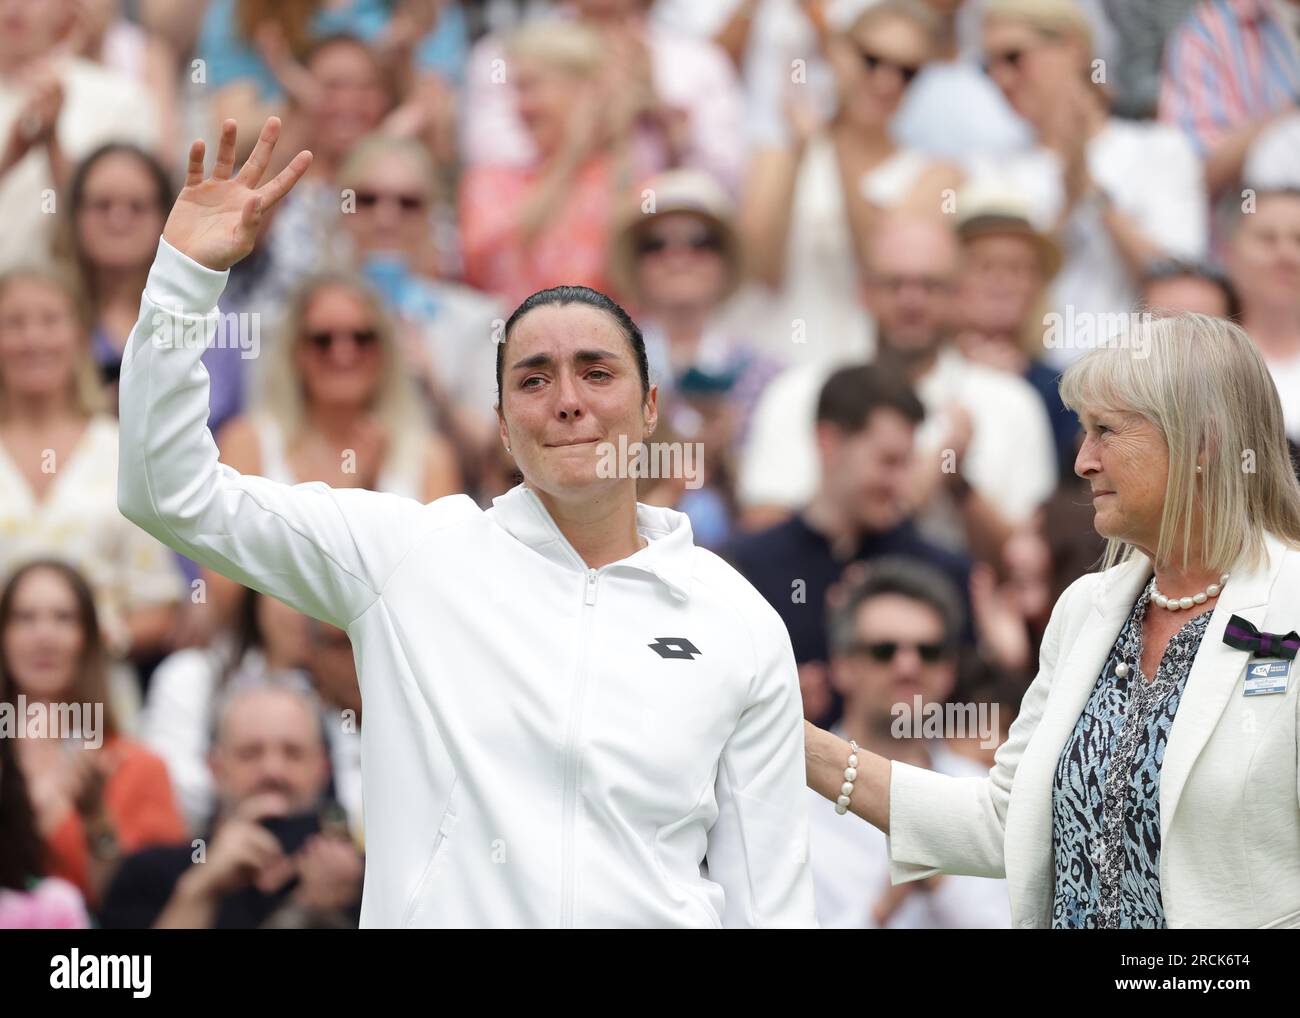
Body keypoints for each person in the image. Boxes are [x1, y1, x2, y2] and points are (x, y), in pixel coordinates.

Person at [117, 116, 816, 928]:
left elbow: (772, 904)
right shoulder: (407, 556)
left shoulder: (738, 619)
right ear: (502, 421)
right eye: (533, 378)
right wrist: (183, 279)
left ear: (650, 407)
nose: (568, 399)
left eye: (597, 372)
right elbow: (165, 492)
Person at [805, 312, 1300, 928]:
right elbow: (1005, 824)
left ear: (1202, 443)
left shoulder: (1292, 604)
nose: (1084, 461)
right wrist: (797, 742)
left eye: (1106, 431)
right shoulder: (1085, 609)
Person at [728, 362, 972, 726]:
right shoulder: (748, 569)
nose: (903, 483)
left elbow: (964, 716)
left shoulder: (942, 571)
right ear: (830, 443)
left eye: (909, 462)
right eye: (888, 462)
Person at [806, 557, 1011, 928]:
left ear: (949, 670)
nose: (907, 666)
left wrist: (935, 877)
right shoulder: (792, 797)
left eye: (927, 651)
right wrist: (881, 909)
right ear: (841, 666)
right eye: (883, 651)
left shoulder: (982, 788)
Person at [102, 679, 363, 929]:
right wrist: (201, 890)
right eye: (250, 754)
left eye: (293, 753)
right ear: (215, 768)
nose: (273, 770)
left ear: (324, 768)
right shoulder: (151, 875)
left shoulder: (365, 879)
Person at [1, 559, 185, 912]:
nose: (44, 636)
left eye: (64, 618)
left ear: (89, 639)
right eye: (24, 618)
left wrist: (96, 818)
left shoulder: (139, 768)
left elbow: (148, 911)